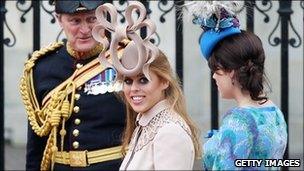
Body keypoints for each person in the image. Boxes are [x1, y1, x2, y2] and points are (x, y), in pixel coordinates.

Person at [92, 2, 201, 170]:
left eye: (143, 80)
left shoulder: (169, 132)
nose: (133, 88)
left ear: (165, 81)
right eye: (128, 81)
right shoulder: (146, 125)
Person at [19, 1, 126, 170]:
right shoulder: (41, 68)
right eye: (75, 21)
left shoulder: (125, 59)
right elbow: (37, 143)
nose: (85, 30)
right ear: (59, 19)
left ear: (104, 17)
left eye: (92, 19)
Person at [186, 1, 288, 170]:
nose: (213, 76)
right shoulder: (274, 112)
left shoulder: (240, 121)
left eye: (216, 70)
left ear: (231, 71)